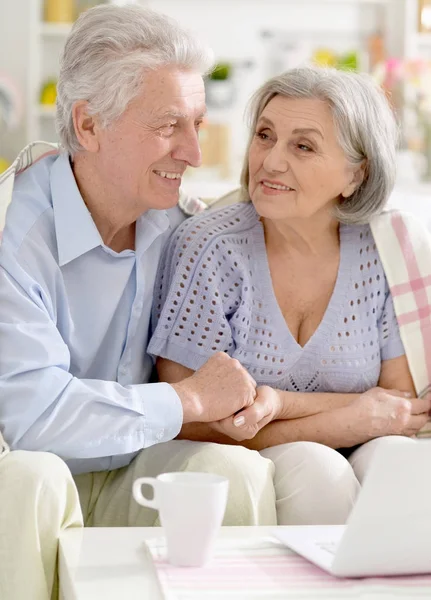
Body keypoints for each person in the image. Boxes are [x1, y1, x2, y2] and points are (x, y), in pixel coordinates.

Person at [0, 5, 277, 599]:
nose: (194, 153)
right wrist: (191, 398)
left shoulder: (183, 228)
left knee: (235, 473)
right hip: (27, 474)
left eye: (198, 124)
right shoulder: (11, 233)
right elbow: (32, 418)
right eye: (169, 125)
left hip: (131, 471)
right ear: (90, 125)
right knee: (33, 477)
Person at [148, 65, 431, 526]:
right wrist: (335, 424)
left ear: (355, 175)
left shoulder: (384, 248)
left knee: (399, 466)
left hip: (362, 447)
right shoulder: (210, 247)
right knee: (318, 471)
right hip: (236, 459)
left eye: (303, 145)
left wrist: (281, 404)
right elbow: (185, 419)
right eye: (264, 135)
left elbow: (398, 406)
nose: (271, 161)